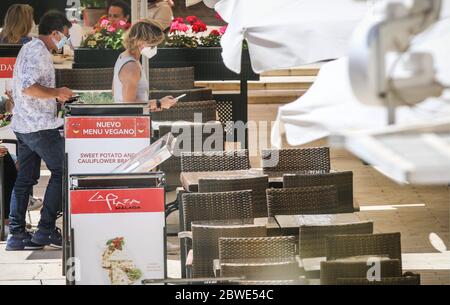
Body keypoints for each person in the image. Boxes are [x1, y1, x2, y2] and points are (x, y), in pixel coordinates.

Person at [6, 10, 74, 251]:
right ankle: (45, 230)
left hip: (25, 125)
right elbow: (27, 87)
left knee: (25, 179)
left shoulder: (32, 48)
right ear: (54, 33)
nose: (67, 40)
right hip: (38, 127)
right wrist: (57, 93)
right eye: (65, 35)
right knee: (63, 169)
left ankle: (17, 235)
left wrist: (54, 98)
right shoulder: (38, 51)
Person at [113, 19, 176, 111]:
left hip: (133, 118)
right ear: (141, 42)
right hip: (132, 121)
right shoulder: (131, 67)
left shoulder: (123, 57)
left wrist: (152, 106)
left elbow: (115, 92)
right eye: (153, 45)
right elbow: (128, 105)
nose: (155, 48)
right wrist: (159, 103)